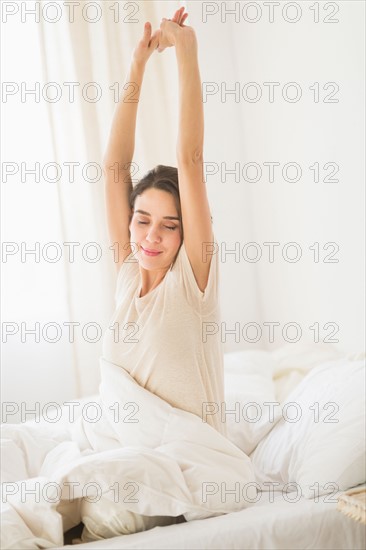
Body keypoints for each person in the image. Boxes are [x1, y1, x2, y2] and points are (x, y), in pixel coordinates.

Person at [102, 7, 226, 438]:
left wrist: (185, 52)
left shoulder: (192, 281)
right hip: (131, 447)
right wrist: (138, 64)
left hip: (192, 461)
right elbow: (115, 167)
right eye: (142, 220)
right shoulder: (128, 272)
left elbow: (189, 160)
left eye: (170, 225)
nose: (150, 237)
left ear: (186, 232)